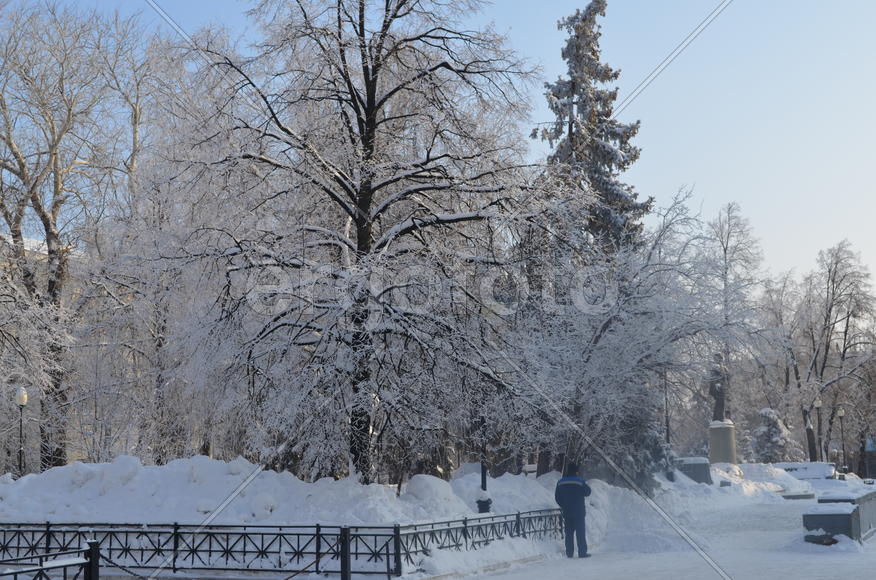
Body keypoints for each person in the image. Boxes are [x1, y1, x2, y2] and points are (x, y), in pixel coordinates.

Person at [554, 462, 592, 558]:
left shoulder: (560, 482)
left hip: (567, 511)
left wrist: (564, 505)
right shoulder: (579, 481)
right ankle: (582, 552)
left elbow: (557, 497)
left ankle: (569, 553)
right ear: (576, 471)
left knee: (569, 533)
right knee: (580, 533)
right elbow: (588, 492)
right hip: (579, 511)